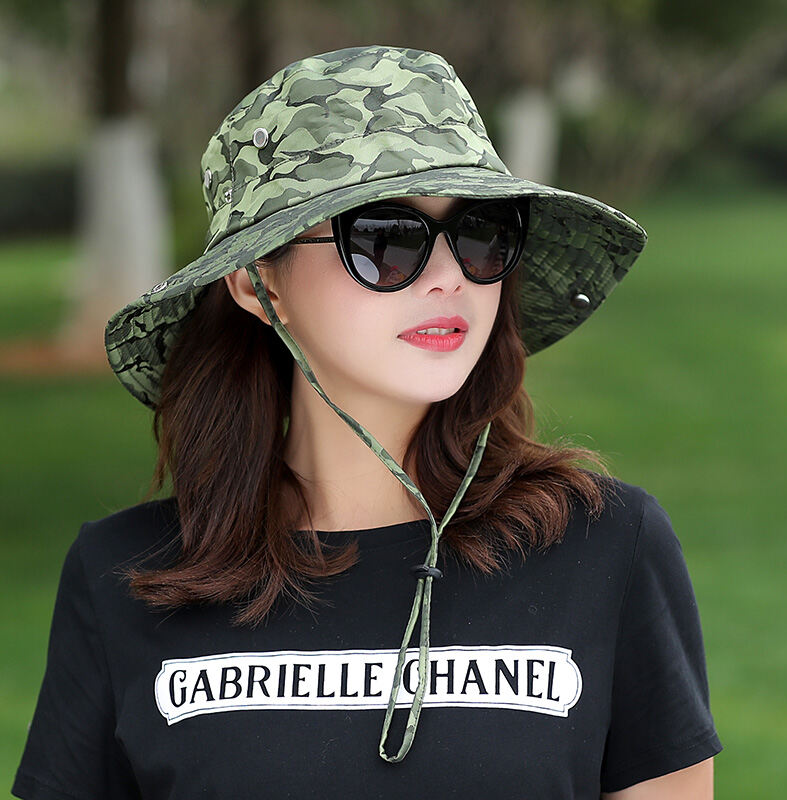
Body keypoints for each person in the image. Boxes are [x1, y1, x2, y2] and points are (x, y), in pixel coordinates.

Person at [12, 44, 722, 799]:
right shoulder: (125, 578)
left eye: (481, 233)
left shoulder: (607, 549)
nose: (449, 277)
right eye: (386, 239)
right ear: (257, 285)